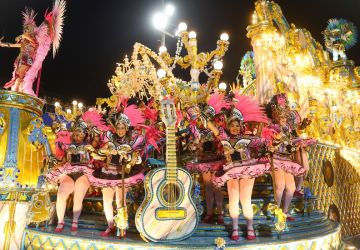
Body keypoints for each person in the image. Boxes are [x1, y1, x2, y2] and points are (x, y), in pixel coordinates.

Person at [212, 93, 270, 241]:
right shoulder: (224, 138)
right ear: (228, 127)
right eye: (232, 126)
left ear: (241, 126)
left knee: (245, 200)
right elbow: (214, 129)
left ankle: (250, 227)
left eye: (237, 125)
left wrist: (266, 133)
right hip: (231, 171)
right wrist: (203, 116)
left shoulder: (248, 139)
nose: (235, 128)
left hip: (247, 169)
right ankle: (235, 228)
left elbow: (263, 141)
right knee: (233, 199)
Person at [87, 103, 145, 237]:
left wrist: (127, 156)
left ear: (126, 128)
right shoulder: (110, 138)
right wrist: (105, 151)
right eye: (118, 127)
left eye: (122, 128)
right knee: (106, 200)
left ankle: (122, 226)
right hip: (108, 173)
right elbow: (101, 153)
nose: (120, 130)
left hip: (122, 173)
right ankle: (110, 225)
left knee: (120, 200)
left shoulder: (133, 141)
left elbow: (138, 158)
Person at [46, 110, 107, 233]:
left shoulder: (89, 145)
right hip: (68, 171)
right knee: (61, 195)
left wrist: (92, 126)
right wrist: (55, 163)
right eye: (75, 134)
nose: (76, 137)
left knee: (78, 197)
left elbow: (96, 139)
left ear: (85, 135)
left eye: (79, 135)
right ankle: (60, 221)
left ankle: (75, 221)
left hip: (84, 173)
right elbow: (63, 161)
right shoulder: (68, 146)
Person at [0, 0, 65, 96]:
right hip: (20, 59)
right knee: (18, 76)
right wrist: (3, 44)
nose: (26, 30)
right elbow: (15, 45)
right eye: (26, 29)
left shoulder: (34, 39)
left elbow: (34, 42)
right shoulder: (25, 41)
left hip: (28, 59)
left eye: (28, 29)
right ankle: (17, 93)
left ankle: (16, 94)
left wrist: (23, 36)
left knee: (19, 75)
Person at [186, 92, 230, 224]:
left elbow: (221, 137)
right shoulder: (195, 129)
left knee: (216, 186)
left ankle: (220, 213)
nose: (202, 119)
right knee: (208, 187)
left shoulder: (216, 127)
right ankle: (209, 213)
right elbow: (191, 143)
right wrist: (193, 145)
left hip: (217, 159)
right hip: (204, 160)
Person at [263, 94, 306, 222]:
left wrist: (295, 145)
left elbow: (290, 145)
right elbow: (267, 144)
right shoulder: (271, 127)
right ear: (275, 115)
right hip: (275, 158)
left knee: (291, 188)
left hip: (286, 160)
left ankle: (285, 211)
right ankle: (277, 210)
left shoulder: (288, 128)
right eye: (280, 116)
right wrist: (276, 140)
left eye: (284, 116)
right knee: (280, 185)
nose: (283, 119)